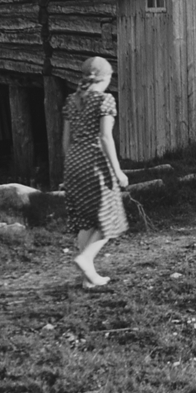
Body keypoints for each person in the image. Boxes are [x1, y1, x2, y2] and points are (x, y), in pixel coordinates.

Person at [62, 56, 129, 288]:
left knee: (85, 220)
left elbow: (65, 140)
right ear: (108, 78)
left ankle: (87, 279)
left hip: (73, 162)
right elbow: (104, 137)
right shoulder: (105, 100)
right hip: (94, 162)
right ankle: (86, 258)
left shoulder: (72, 101)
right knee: (110, 217)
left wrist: (69, 164)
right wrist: (118, 171)